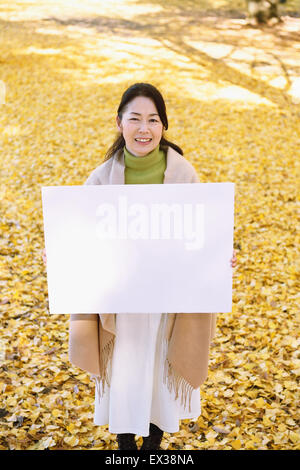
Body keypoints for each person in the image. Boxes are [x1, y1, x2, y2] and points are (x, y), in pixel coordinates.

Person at [43, 83, 237, 451]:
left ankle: (152, 449)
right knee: (126, 375)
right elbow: (79, 234)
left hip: (166, 307)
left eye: (153, 120)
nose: (144, 128)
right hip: (122, 305)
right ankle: (125, 447)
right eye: (135, 119)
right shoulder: (101, 179)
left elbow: (201, 236)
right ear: (119, 123)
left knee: (157, 377)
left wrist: (219, 257)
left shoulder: (184, 175)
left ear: (164, 126)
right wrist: (60, 253)